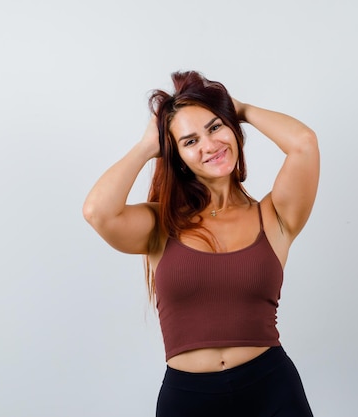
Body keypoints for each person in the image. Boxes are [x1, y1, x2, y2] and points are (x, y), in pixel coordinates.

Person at [83, 70, 320, 417]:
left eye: (215, 127)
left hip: (271, 390)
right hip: (188, 399)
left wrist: (240, 109)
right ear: (176, 155)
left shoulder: (275, 216)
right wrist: (149, 145)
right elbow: (97, 212)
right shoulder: (160, 225)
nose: (209, 146)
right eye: (190, 141)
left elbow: (304, 143)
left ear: (232, 128)